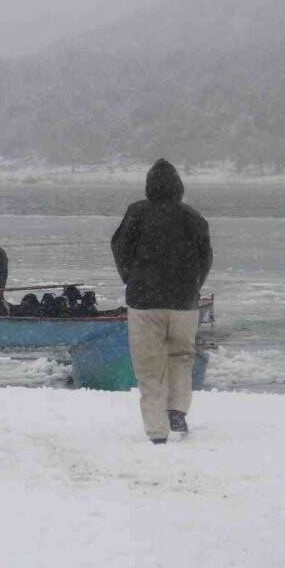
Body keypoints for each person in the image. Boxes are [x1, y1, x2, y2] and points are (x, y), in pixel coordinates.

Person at [110, 158, 212, 444]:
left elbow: (119, 248)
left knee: (149, 366)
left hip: (145, 303)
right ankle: (177, 410)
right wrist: (193, 286)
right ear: (179, 187)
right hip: (184, 303)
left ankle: (156, 431)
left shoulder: (137, 213)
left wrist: (131, 279)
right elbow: (206, 258)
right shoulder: (193, 217)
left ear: (149, 186)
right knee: (181, 357)